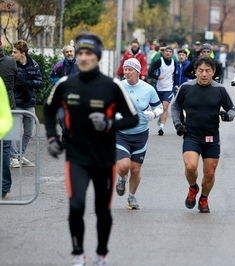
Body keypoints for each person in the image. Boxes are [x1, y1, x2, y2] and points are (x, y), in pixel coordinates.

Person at [43, 31, 139, 266]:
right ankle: (78, 254)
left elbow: (132, 119)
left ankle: (101, 254)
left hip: (104, 159)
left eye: (89, 53)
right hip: (76, 157)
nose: (84, 57)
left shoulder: (112, 86)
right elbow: (48, 108)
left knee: (101, 210)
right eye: (81, 53)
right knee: (76, 206)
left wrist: (109, 124)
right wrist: (52, 138)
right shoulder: (66, 84)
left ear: (96, 57)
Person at [171, 56, 235, 213]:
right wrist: (178, 124)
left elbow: (232, 109)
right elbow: (175, 107)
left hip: (211, 137)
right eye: (200, 71)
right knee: (190, 167)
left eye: (208, 71)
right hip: (191, 135)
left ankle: (204, 197)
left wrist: (228, 116)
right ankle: (193, 188)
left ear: (213, 72)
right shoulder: (186, 88)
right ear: (195, 72)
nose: (204, 74)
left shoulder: (219, 90)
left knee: (209, 173)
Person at [114, 58, 163, 210]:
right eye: (125, 69)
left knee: (135, 169)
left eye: (130, 70)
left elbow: (160, 107)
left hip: (140, 134)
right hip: (121, 133)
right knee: (123, 166)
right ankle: (122, 178)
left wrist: (154, 114)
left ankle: (132, 196)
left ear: (138, 71)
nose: (127, 72)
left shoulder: (148, 89)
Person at [10, 40, 43, 168]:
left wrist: (29, 84)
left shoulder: (34, 64)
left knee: (29, 131)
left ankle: (20, 155)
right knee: (14, 131)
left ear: (23, 54)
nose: (12, 54)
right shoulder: (11, 64)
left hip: (29, 102)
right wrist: (17, 85)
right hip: (16, 102)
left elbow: (40, 82)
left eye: (15, 52)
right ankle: (14, 157)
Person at [49, 45, 79, 140]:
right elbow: (52, 77)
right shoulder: (59, 65)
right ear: (64, 54)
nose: (69, 53)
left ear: (74, 52)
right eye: (67, 52)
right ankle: (66, 133)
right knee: (62, 118)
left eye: (71, 51)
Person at [147, 45, 177, 136]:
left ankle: (161, 127)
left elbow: (175, 75)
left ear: (172, 54)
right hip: (159, 88)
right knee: (159, 108)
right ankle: (161, 118)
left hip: (169, 88)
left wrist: (176, 85)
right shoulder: (160, 61)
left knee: (165, 107)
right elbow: (150, 72)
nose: (168, 53)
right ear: (163, 53)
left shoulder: (174, 62)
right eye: (166, 51)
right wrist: (157, 77)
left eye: (170, 52)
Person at [0, 46, 17, 198]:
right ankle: (5, 186)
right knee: (5, 151)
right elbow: (13, 83)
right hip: (8, 112)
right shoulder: (10, 62)